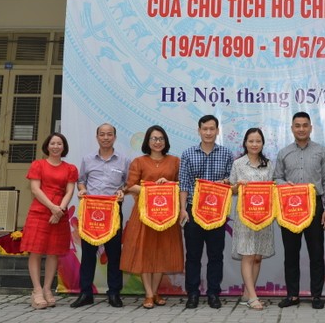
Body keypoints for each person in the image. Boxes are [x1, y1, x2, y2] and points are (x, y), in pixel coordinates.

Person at [272, 111, 325, 310]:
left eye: (305, 125)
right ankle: (292, 295)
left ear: (310, 128)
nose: (301, 129)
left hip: (315, 206)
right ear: (292, 128)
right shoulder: (284, 152)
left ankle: (316, 296)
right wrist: (285, 184)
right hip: (290, 207)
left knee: (316, 253)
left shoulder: (322, 151)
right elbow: (276, 178)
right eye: (297, 125)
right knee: (291, 254)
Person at [120, 125, 183, 309]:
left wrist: (168, 184)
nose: (157, 142)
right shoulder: (139, 162)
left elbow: (180, 184)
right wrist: (153, 188)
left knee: (162, 252)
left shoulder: (175, 161)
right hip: (144, 215)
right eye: (154, 138)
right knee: (144, 252)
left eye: (161, 138)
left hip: (166, 215)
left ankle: (155, 292)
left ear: (166, 141)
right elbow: (130, 185)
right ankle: (148, 294)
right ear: (147, 141)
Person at [71, 123, 130, 308]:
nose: (106, 137)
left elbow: (128, 183)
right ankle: (85, 293)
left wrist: (122, 191)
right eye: (102, 134)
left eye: (109, 134)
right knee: (88, 254)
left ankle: (114, 293)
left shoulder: (124, 160)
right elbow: (81, 180)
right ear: (97, 137)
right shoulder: (87, 159)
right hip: (91, 212)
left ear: (115, 137)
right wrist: (82, 190)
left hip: (112, 212)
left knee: (114, 254)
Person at [178, 115, 233, 309]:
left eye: (212, 129)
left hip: (217, 211)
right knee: (193, 255)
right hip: (193, 210)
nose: (208, 132)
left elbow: (231, 181)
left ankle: (213, 293)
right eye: (205, 129)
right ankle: (192, 293)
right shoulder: (188, 154)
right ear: (199, 130)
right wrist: (182, 209)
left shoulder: (226, 154)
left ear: (217, 131)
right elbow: (184, 184)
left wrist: (224, 182)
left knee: (215, 255)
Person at [21, 132, 78, 309]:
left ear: (64, 147)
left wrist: (59, 210)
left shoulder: (70, 168)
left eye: (59, 144)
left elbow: (69, 191)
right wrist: (53, 207)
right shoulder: (38, 165)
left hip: (60, 213)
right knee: (36, 252)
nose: (55, 147)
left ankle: (47, 289)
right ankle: (37, 290)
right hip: (39, 212)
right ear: (47, 146)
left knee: (54, 253)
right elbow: (35, 189)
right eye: (52, 143)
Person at [229, 127, 275, 310]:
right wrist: (238, 186)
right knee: (248, 255)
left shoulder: (269, 164)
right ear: (245, 143)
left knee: (257, 257)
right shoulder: (238, 164)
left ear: (262, 144)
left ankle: (247, 293)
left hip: (264, 217)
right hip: (245, 218)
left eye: (258, 141)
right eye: (251, 141)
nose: (254, 144)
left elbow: (273, 187)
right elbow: (231, 190)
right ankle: (253, 297)